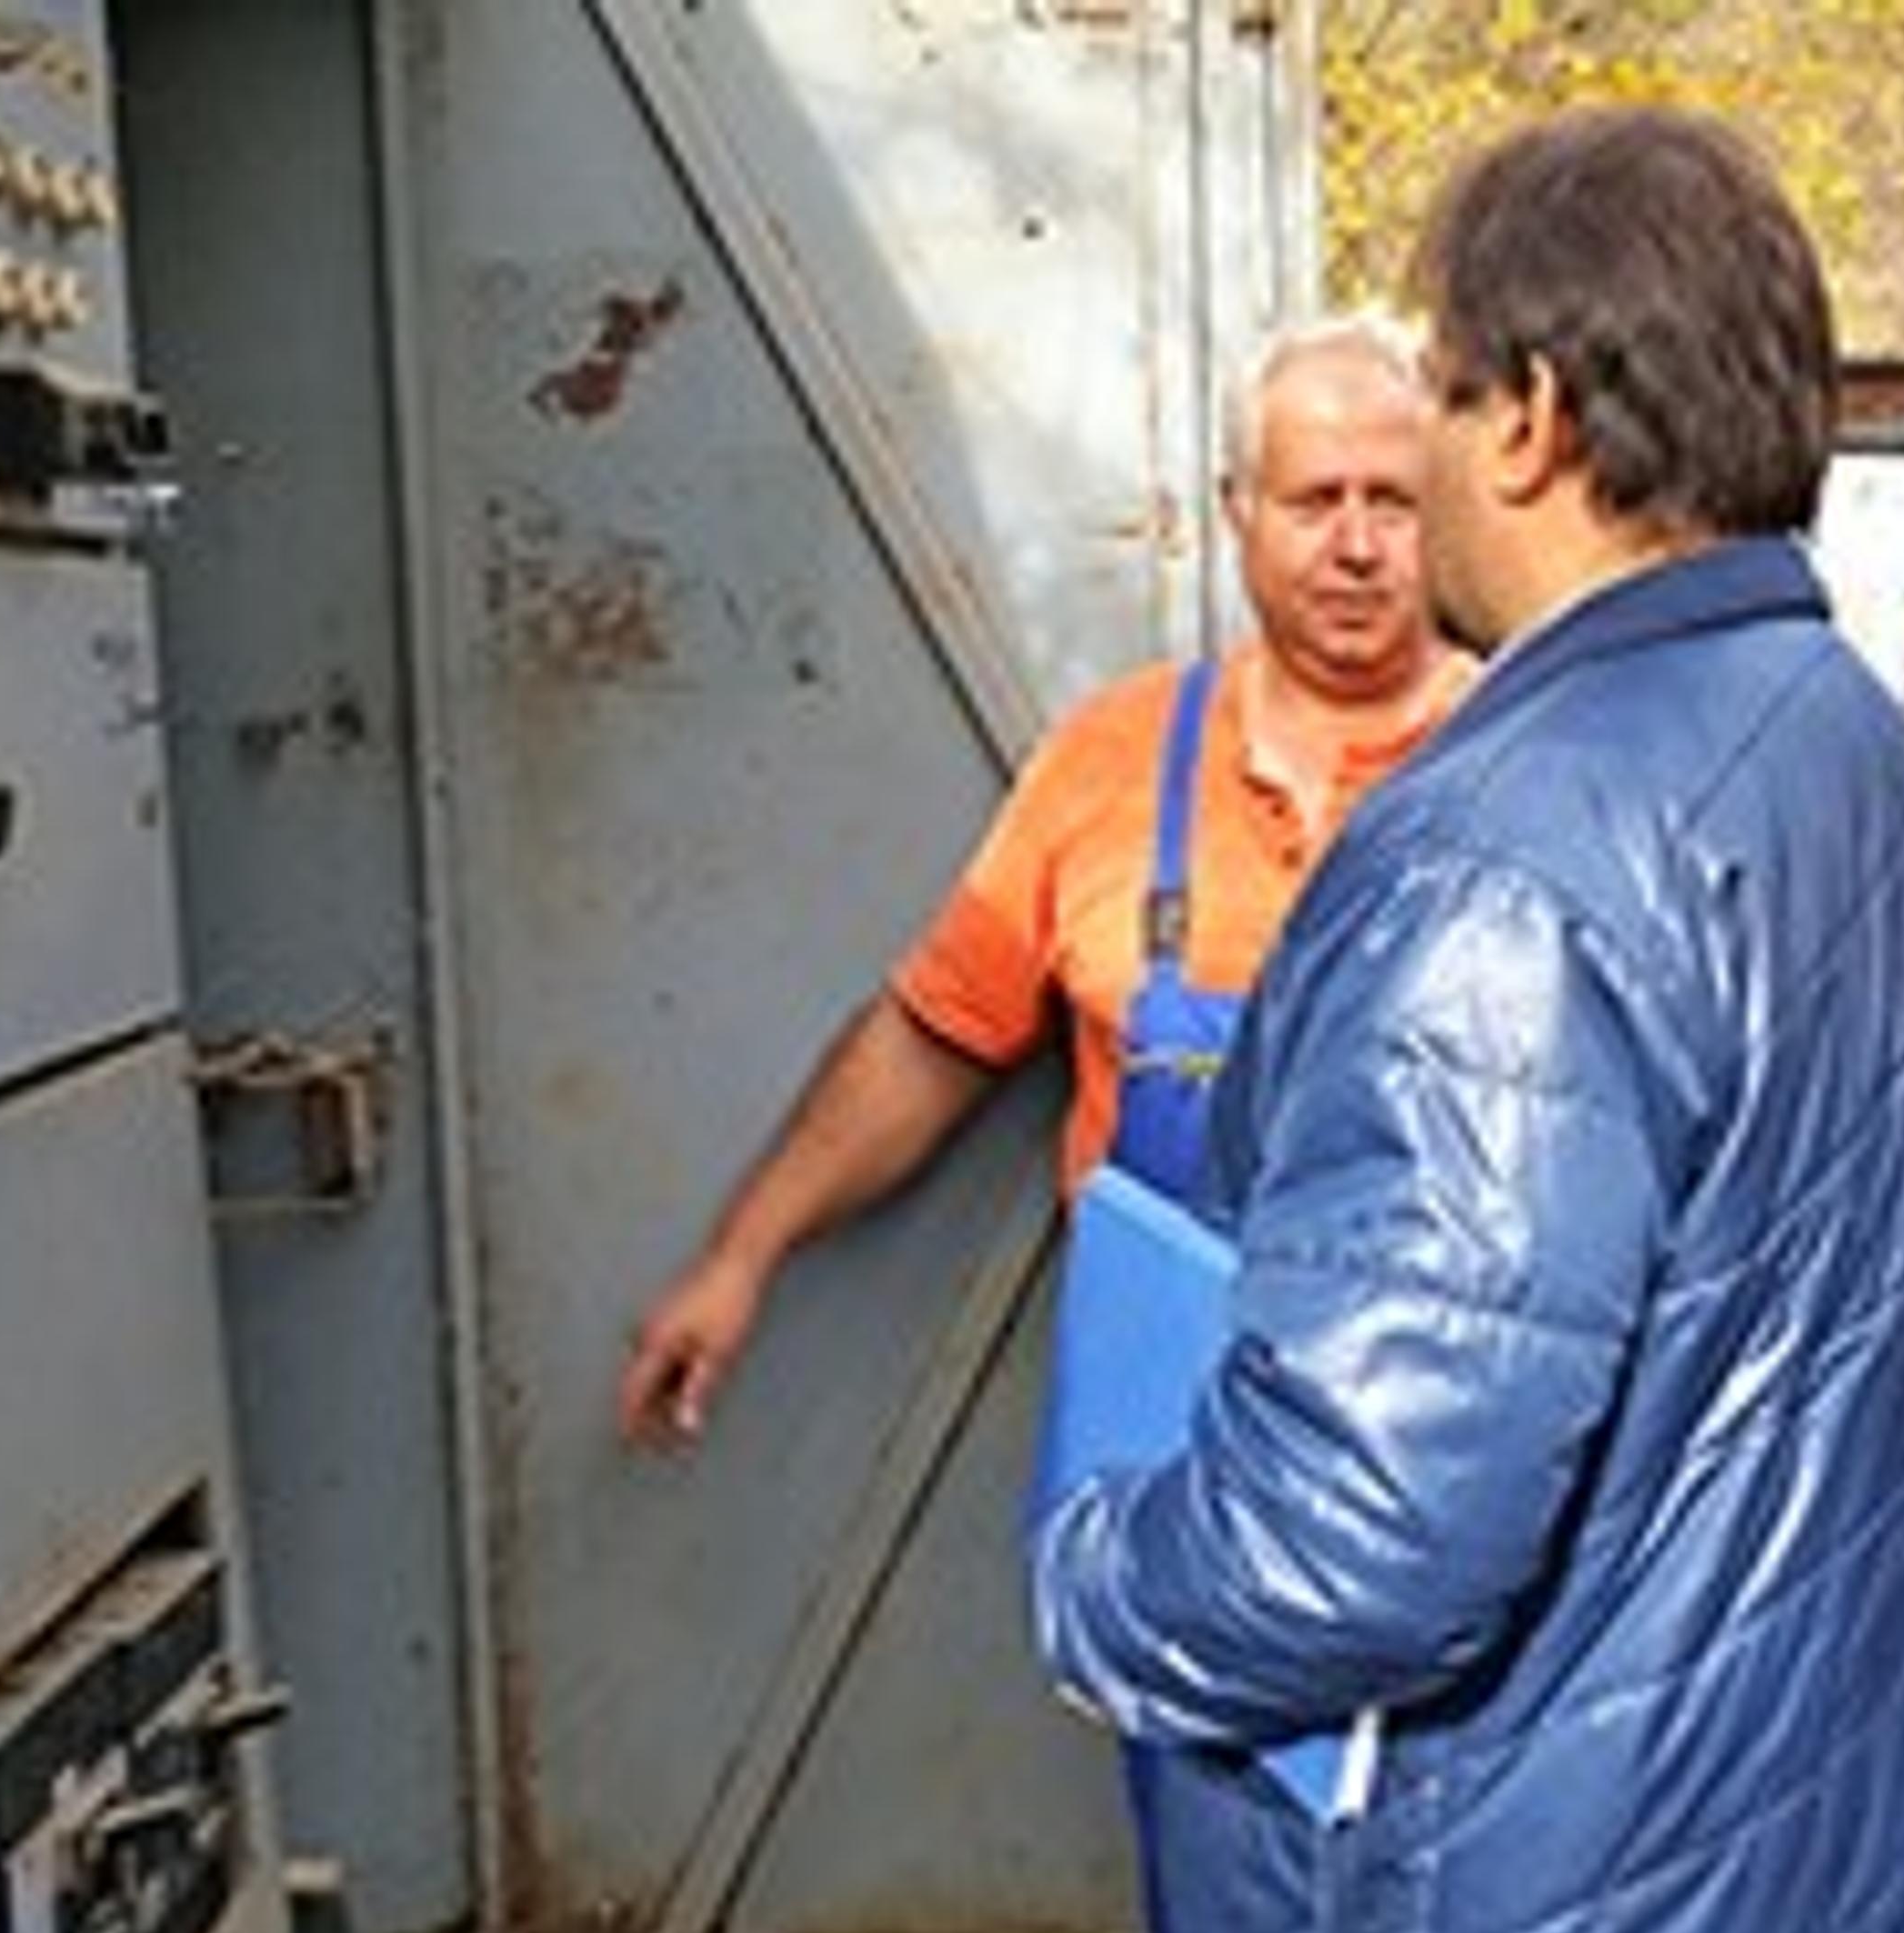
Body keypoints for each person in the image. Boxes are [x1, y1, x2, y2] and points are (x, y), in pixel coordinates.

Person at [1027, 106, 1904, 1933]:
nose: (1420, 473)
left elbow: (1360, 1529)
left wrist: (1099, 1568)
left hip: (1591, 1887)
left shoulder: (1503, 859)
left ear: (1531, 418)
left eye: (1440, 407)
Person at [616, 314, 1467, 1448]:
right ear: (1239, 512)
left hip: (1440, 1444)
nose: (1358, 546)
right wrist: (743, 1254)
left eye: (1394, 501)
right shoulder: (1113, 758)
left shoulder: (1528, 762)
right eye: (1316, 501)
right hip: (1162, 1433)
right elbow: (933, 1038)